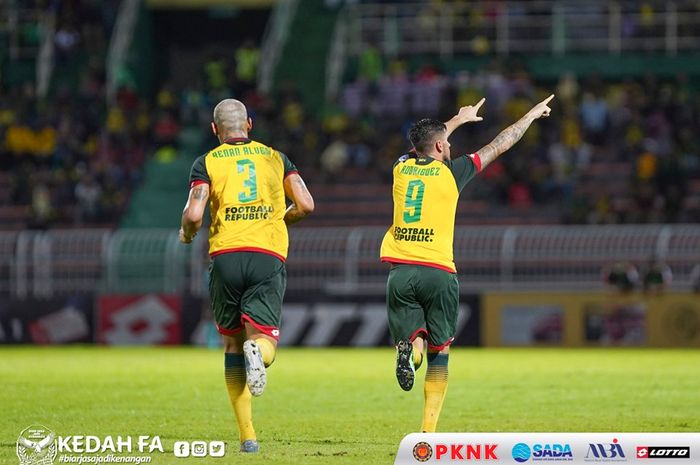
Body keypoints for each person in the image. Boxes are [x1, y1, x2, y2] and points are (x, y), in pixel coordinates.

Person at [380, 94, 554, 432]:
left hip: (401, 271)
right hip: (440, 272)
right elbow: (500, 143)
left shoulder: (400, 168)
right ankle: (428, 432)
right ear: (443, 147)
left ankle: (407, 354)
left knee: (414, 342)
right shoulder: (453, 173)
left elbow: (429, 139)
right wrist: (530, 115)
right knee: (440, 352)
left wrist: (457, 120)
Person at [179, 99, 314, 453]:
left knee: (231, 346)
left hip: (225, 257)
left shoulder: (205, 161)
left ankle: (248, 437)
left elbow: (194, 214)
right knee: (263, 340)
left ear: (214, 130)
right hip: (267, 254)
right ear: (249, 125)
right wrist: (282, 219)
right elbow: (306, 204)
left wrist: (188, 233)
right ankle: (260, 350)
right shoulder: (275, 157)